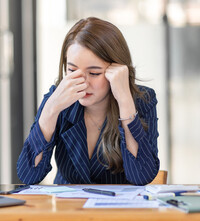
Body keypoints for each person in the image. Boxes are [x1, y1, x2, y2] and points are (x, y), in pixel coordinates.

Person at [17, 17, 159, 185]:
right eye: (72, 70)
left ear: (117, 71)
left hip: (120, 209)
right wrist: (51, 110)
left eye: (94, 73)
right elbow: (29, 175)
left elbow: (142, 176)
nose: (83, 82)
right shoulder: (58, 98)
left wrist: (124, 101)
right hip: (69, 208)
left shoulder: (142, 100)